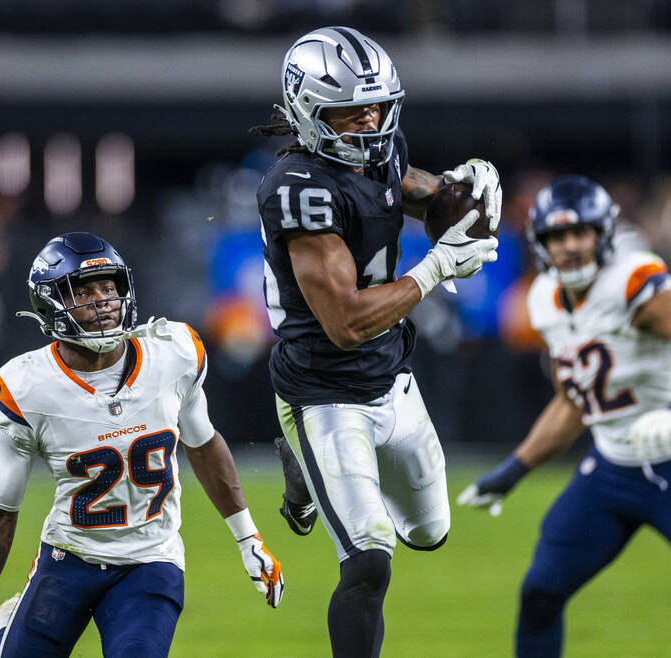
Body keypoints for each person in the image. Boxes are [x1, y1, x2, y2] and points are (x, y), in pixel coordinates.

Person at [250, 25, 502, 658]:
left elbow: (406, 187)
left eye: (376, 106)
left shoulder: (377, 149)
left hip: (391, 377)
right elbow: (347, 323)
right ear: (308, 112)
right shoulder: (298, 189)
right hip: (322, 388)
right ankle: (306, 457)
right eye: (349, 111)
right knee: (368, 561)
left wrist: (456, 189)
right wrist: (438, 265)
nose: (368, 122)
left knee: (430, 532)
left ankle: (305, 466)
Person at [457, 175, 671, 655]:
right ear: (541, 242)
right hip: (610, 471)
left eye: (580, 233)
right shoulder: (544, 299)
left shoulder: (633, 285)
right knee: (541, 592)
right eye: (557, 236)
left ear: (603, 234)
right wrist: (511, 471)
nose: (569, 246)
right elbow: (575, 401)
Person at [0, 232, 283, 658]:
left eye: (108, 287)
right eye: (82, 292)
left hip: (150, 560)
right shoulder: (26, 385)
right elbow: (1, 505)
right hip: (69, 558)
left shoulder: (173, 352)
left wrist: (249, 539)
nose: (101, 301)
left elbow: (204, 444)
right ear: (50, 304)